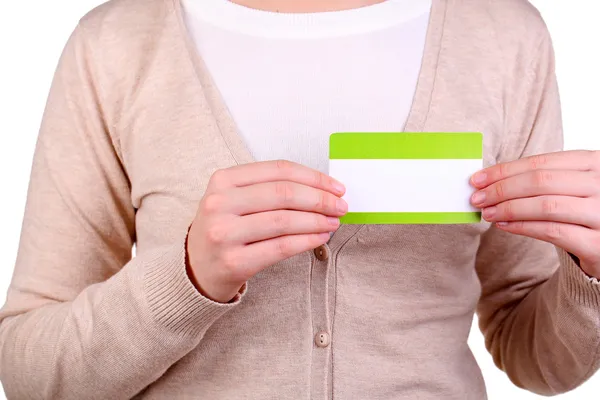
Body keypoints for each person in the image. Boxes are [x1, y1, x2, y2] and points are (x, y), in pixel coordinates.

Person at [0, 0, 599, 398]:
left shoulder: (503, 35)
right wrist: (187, 279)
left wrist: (592, 276)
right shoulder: (118, 42)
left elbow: (537, 359)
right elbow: (27, 370)